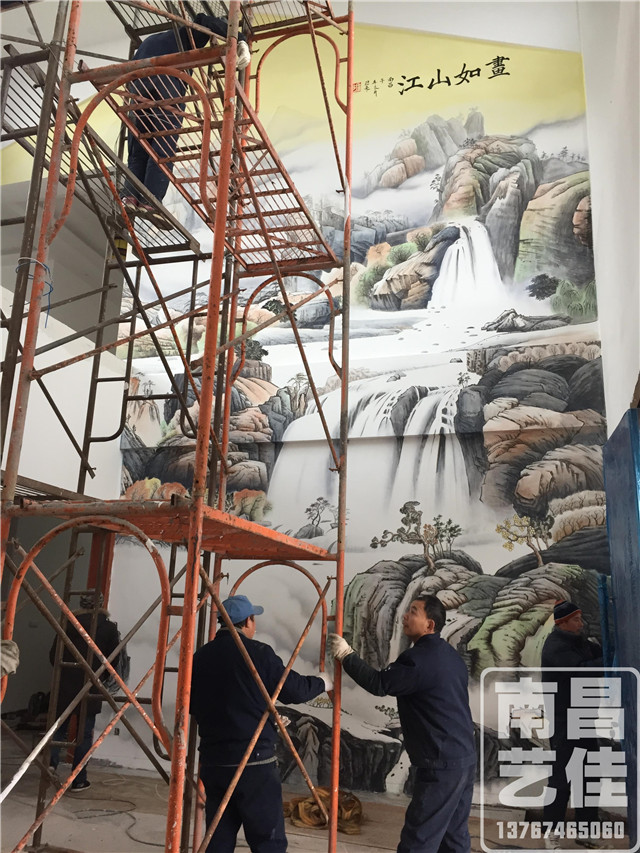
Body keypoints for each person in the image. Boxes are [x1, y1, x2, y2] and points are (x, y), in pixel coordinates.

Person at [329, 594, 476, 853]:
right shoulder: (450, 656)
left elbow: (379, 684)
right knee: (453, 836)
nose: (404, 616)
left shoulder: (418, 660)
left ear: (430, 624)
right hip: (463, 757)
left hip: (440, 763)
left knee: (418, 840)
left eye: (413, 612)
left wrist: (346, 655)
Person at [190, 594, 332, 852]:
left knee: (217, 838)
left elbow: (193, 705)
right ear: (248, 621)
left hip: (214, 762)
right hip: (253, 763)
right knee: (268, 842)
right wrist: (323, 682)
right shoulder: (258, 653)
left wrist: (260, 715)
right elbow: (294, 690)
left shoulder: (200, 657)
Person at [120, 14, 250, 226]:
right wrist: (240, 39)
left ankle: (129, 197)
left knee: (140, 147)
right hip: (166, 82)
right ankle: (150, 202)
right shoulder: (188, 34)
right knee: (163, 146)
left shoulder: (154, 40)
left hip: (136, 88)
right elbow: (203, 19)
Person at [541, 601, 604, 849]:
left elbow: (596, 654)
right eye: (576, 619)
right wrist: (608, 662)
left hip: (585, 721)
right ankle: (551, 835)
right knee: (561, 780)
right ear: (562, 623)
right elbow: (583, 671)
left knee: (589, 777)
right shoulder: (555, 647)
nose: (581, 623)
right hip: (565, 724)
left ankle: (586, 832)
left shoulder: (578, 642)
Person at [49, 592, 122, 792]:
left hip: (64, 684)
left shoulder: (67, 623)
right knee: (84, 734)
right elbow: (113, 660)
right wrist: (101, 677)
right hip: (91, 684)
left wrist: (64, 672)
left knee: (57, 729)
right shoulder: (108, 628)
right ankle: (78, 779)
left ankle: (50, 765)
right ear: (101, 604)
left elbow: (53, 655)